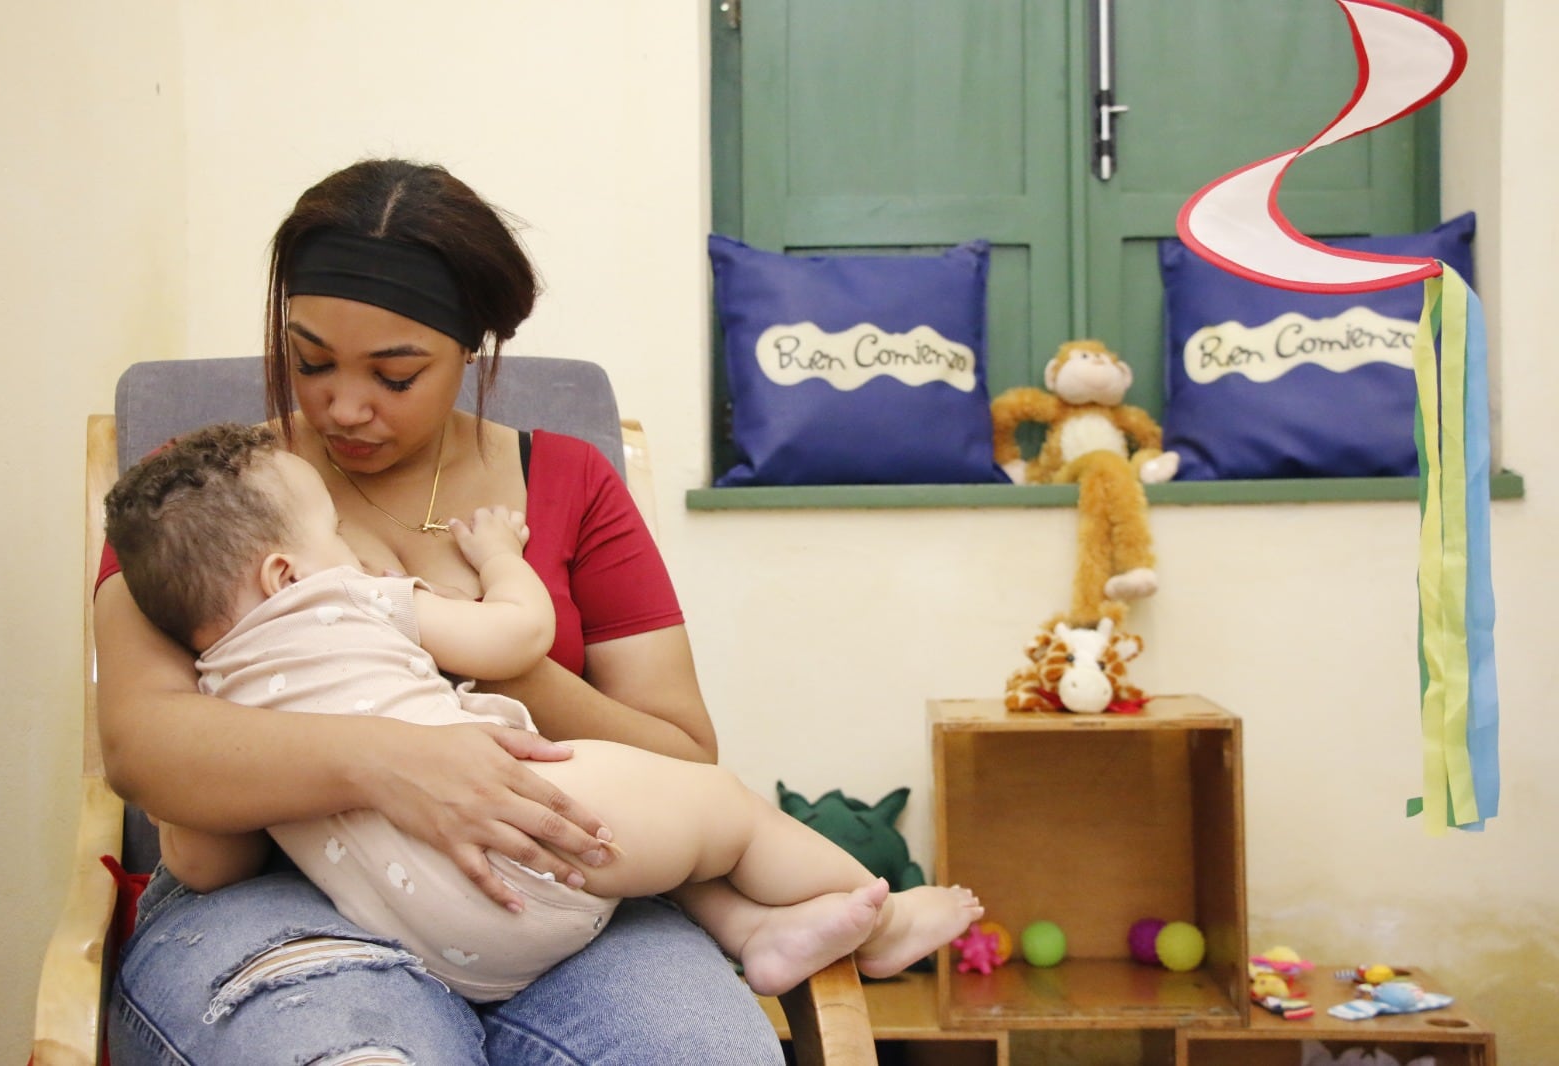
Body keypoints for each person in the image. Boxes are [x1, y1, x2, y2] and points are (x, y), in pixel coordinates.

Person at [98, 158, 867, 1064]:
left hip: (559, 880)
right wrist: (394, 762)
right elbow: (143, 745)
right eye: (309, 361)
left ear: (470, 348)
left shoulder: (572, 484)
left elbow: (683, 759)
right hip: (275, 897)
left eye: (396, 374)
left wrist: (499, 667)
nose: (343, 405)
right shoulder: (201, 499)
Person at [102, 421, 982, 1006]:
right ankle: (880, 918)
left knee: (663, 837)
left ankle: (756, 931)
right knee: (720, 803)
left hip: (439, 944)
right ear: (286, 576)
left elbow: (204, 861)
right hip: (526, 850)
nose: (347, 544)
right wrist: (496, 558)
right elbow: (518, 636)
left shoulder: (222, 697)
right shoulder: (357, 598)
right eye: (329, 528)